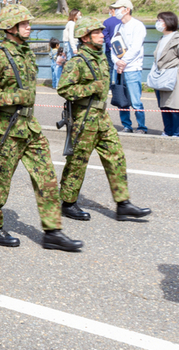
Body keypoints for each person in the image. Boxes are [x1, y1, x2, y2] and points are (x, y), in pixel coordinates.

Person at [0, 5, 82, 252]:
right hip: (8, 129)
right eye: (24, 24)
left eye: (28, 23)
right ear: (11, 28)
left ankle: (52, 232)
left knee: (46, 177)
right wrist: (15, 97)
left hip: (30, 127)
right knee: (1, 181)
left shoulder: (25, 52)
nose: (29, 27)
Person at [57, 16, 152, 223]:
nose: (102, 35)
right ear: (84, 37)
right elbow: (64, 89)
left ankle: (123, 204)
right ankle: (68, 203)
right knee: (77, 162)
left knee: (116, 156)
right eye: (97, 33)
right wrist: (92, 88)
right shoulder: (78, 62)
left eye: (102, 32)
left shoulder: (100, 57)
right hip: (84, 119)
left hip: (102, 117)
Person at [151, 12, 179, 138]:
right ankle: (168, 131)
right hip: (162, 77)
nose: (158, 23)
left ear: (168, 22)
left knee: (175, 107)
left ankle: (178, 134)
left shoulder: (178, 40)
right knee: (164, 106)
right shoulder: (162, 39)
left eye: (160, 20)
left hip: (175, 77)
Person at [109, 0, 149, 134]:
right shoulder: (117, 27)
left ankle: (142, 127)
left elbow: (136, 48)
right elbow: (113, 48)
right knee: (122, 99)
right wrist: (116, 62)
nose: (115, 11)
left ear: (127, 9)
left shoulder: (138, 26)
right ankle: (127, 125)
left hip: (132, 68)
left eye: (118, 8)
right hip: (119, 69)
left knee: (135, 100)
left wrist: (123, 62)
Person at [102, 5, 121, 71]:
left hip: (109, 49)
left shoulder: (106, 22)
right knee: (120, 68)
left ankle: (109, 81)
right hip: (121, 48)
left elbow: (105, 35)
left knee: (109, 68)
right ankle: (119, 81)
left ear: (112, 10)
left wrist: (110, 46)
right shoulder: (122, 21)